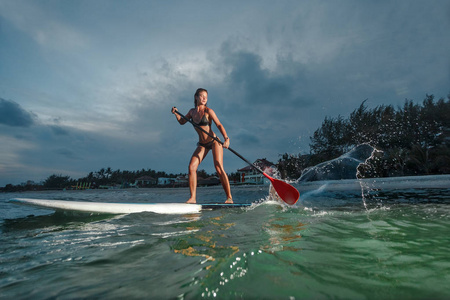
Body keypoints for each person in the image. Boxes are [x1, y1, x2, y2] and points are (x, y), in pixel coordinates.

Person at [172, 88, 233, 204]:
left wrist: (226, 138)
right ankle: (193, 198)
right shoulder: (191, 112)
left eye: (206, 96)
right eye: (202, 96)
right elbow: (182, 121)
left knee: (218, 168)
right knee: (191, 167)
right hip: (202, 144)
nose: (204, 98)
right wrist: (176, 113)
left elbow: (219, 124)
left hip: (214, 142)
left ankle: (229, 198)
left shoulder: (208, 111)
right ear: (196, 97)